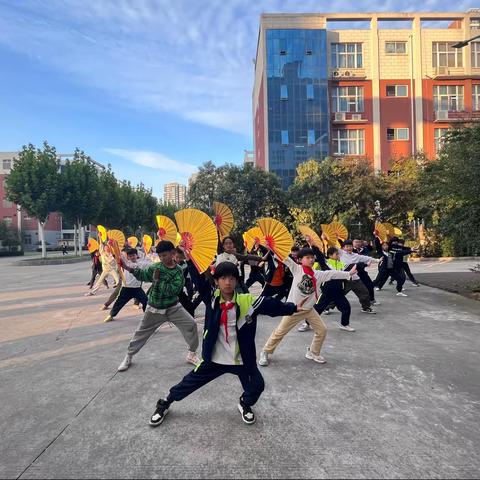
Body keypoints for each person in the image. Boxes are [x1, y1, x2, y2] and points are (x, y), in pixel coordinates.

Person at [148, 260, 305, 427]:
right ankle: (165, 402)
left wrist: (292, 308)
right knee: (189, 382)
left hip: (241, 359)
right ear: (216, 281)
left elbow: (270, 305)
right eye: (223, 278)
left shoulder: (247, 301)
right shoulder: (212, 299)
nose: (228, 282)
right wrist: (191, 257)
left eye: (231, 278)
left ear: (237, 281)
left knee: (257, 385)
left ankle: (244, 403)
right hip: (214, 359)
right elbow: (198, 278)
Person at [258, 247, 356, 367]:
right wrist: (272, 247)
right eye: (307, 257)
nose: (311, 260)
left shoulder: (318, 274)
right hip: (292, 309)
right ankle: (265, 351)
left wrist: (349, 273)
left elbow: (332, 273)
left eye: (312, 257)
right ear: (300, 260)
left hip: (309, 310)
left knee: (322, 330)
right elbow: (284, 258)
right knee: (279, 332)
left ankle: (313, 352)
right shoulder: (297, 269)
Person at [117, 240, 200, 372]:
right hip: (154, 308)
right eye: (160, 256)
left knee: (191, 325)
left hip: (173, 307)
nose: (162, 258)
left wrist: (158, 280)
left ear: (173, 253)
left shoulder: (178, 271)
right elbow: (143, 275)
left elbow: (174, 290)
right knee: (141, 333)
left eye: (165, 255)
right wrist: (127, 268)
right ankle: (129, 355)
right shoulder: (156, 267)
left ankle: (191, 354)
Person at [298, 245, 355, 333]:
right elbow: (319, 256)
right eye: (336, 254)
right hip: (326, 292)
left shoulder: (341, 264)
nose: (338, 256)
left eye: (339, 254)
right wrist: (313, 245)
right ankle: (307, 324)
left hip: (338, 293)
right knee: (317, 309)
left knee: (346, 308)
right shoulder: (326, 263)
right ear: (330, 255)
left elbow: (347, 273)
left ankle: (344, 325)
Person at [103, 248, 150, 322]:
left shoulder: (141, 264)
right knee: (119, 302)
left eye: (133, 255)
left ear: (136, 255)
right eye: (130, 256)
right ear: (128, 257)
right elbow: (117, 257)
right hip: (126, 288)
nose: (132, 257)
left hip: (137, 288)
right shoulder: (126, 263)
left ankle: (147, 317)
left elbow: (150, 263)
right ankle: (111, 315)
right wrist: (112, 247)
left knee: (146, 302)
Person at [338, 240, 379, 313]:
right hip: (345, 279)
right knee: (338, 295)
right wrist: (327, 239)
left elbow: (367, 258)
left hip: (356, 279)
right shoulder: (341, 253)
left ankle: (366, 308)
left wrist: (377, 260)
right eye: (347, 247)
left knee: (365, 293)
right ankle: (327, 307)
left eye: (350, 246)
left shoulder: (356, 256)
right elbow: (331, 244)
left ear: (352, 247)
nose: (349, 248)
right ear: (343, 248)